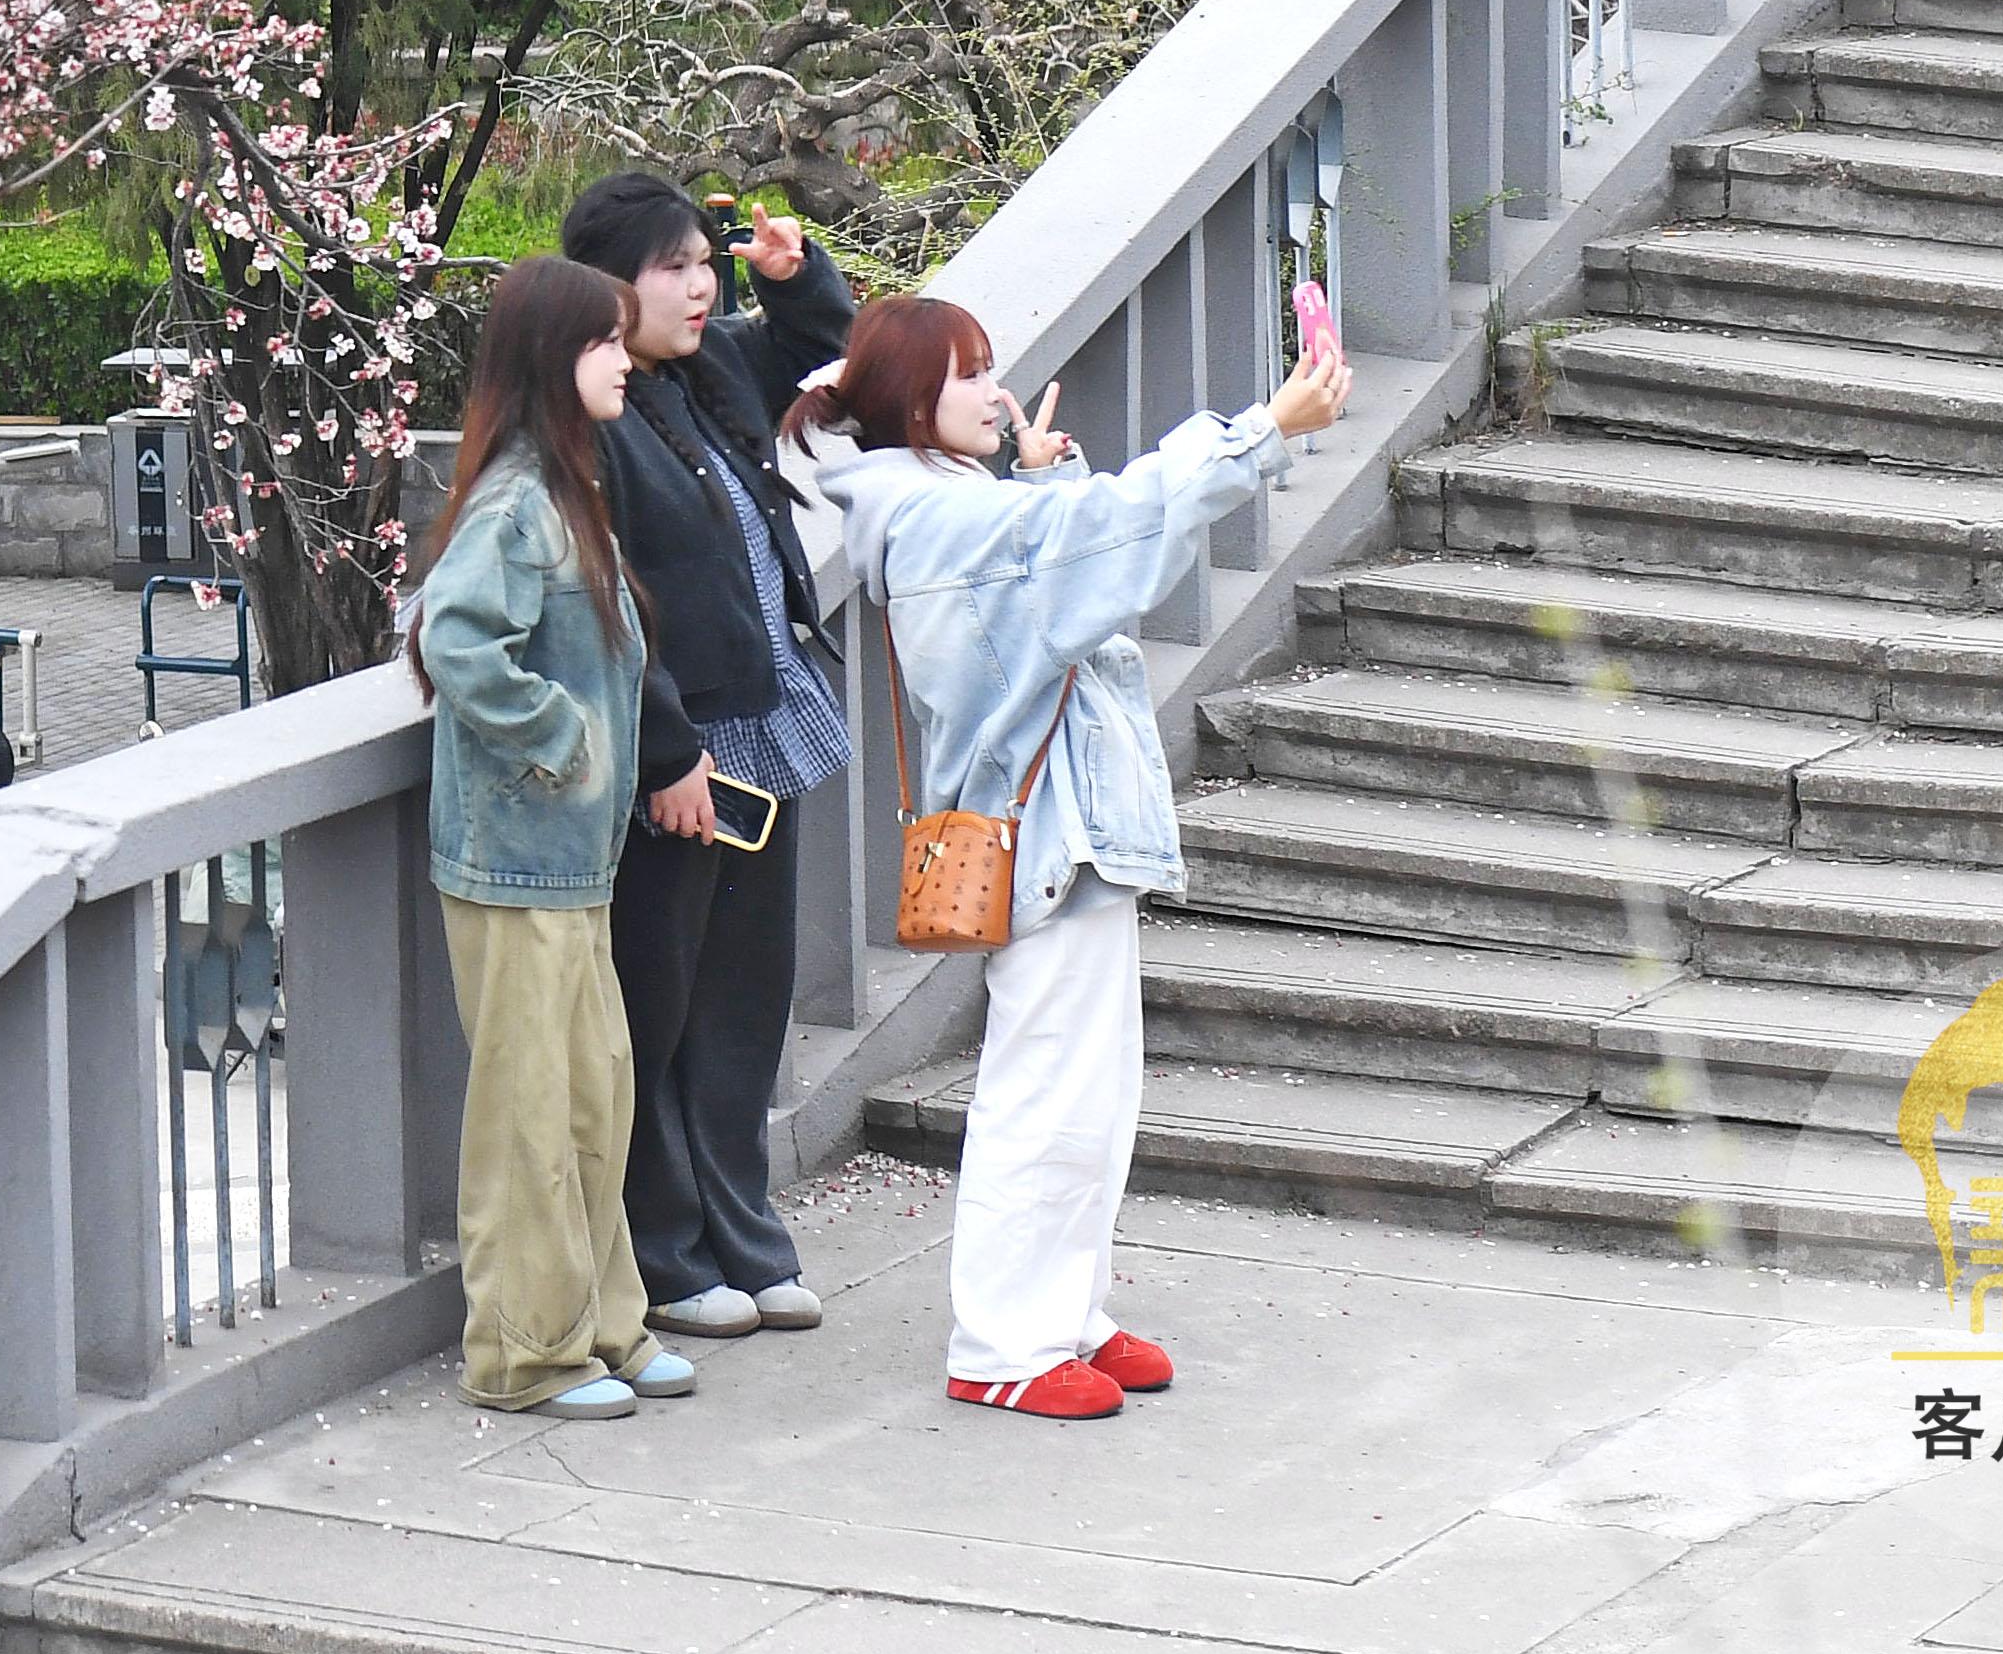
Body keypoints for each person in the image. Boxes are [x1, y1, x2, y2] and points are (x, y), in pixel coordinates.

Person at [791, 290, 1348, 1420]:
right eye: (966, 374)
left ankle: (1063, 1314)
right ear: (908, 400)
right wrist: (1260, 431)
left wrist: (1038, 482)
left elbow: (1045, 581)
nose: (993, 393)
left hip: (1061, 830)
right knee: (1046, 1092)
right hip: (1043, 833)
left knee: (1087, 1090)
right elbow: (1096, 542)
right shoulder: (936, 514)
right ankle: (1005, 1342)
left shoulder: (936, 500)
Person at [551, 171, 858, 1342]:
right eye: (669, 267)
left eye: (702, 262)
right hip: (677, 755)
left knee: (742, 1004)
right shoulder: (587, 410)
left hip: (760, 725)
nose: (698, 285)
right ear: (603, 288)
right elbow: (601, 600)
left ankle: (747, 1237)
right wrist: (665, 747)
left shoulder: (709, 365)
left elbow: (825, 362)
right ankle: (669, 1255)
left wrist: (795, 276)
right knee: (660, 1004)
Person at [403, 257, 706, 1418]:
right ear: (550, 355)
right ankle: (525, 1353)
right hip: (514, 857)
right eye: (603, 341)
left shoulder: (563, 486)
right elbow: (457, 640)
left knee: (592, 1095)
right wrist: (564, 736)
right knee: (529, 1110)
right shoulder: (519, 498)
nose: (624, 360)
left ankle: (604, 1325)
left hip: (567, 859)